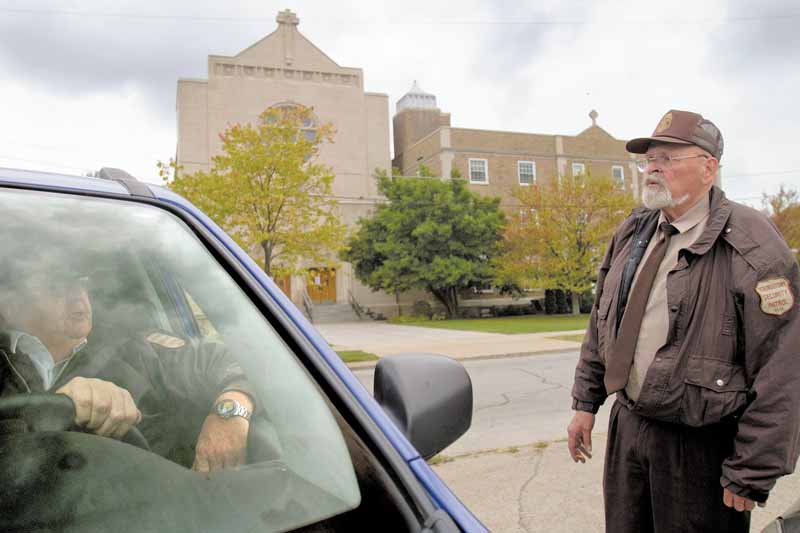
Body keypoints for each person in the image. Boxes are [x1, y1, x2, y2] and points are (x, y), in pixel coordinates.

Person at [567, 109, 800, 532]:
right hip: (630, 428)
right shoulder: (633, 231)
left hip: (700, 444)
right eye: (649, 159)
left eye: (668, 158)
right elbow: (602, 322)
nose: (653, 168)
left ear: (708, 168)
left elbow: (784, 365)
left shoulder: (751, 241)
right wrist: (586, 403)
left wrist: (752, 470)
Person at [0, 258, 257, 473]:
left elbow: (235, 359)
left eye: (81, 284)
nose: (78, 296)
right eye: (57, 286)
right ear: (9, 305)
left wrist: (230, 410)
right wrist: (54, 412)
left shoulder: (132, 350)